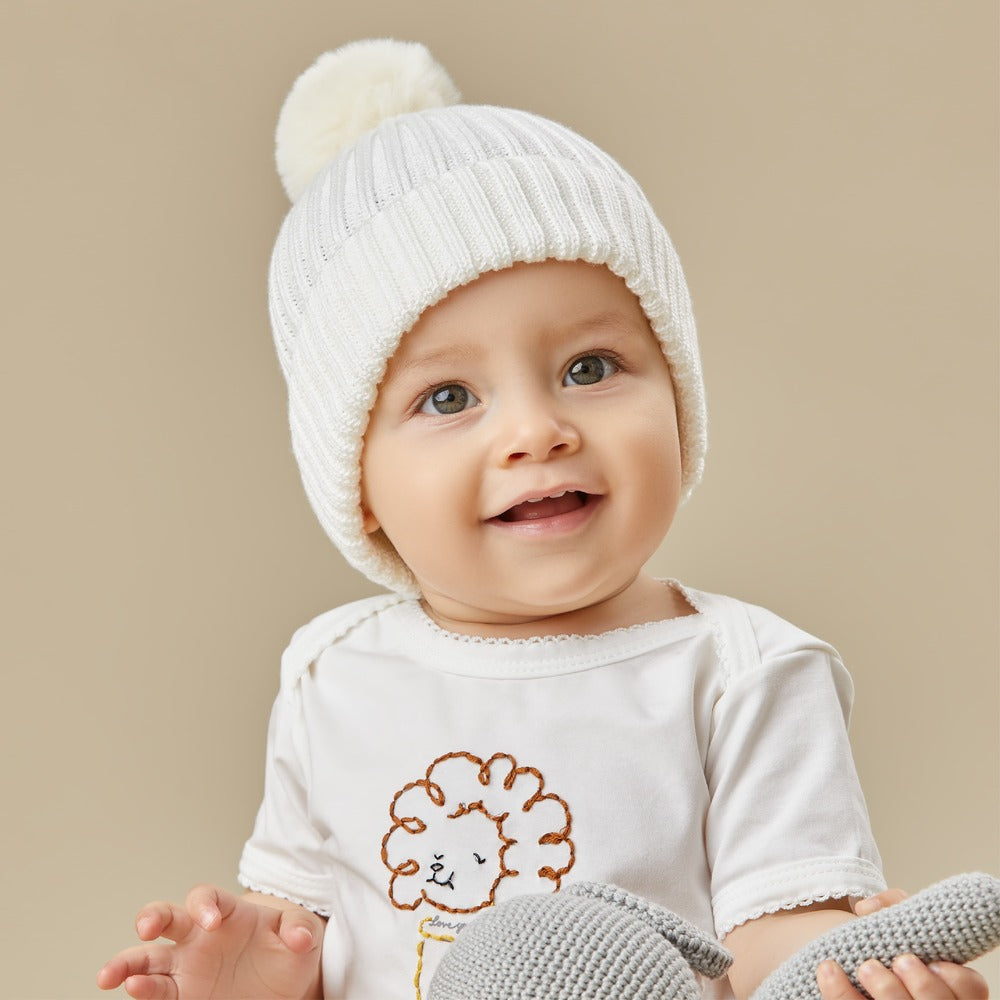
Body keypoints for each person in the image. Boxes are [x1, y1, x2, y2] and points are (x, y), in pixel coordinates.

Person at [97, 39, 991, 1000]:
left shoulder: (744, 674)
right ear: (357, 485)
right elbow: (309, 937)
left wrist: (853, 978)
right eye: (448, 398)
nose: (537, 431)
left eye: (589, 369)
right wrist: (255, 975)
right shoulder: (334, 676)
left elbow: (775, 943)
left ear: (679, 401)